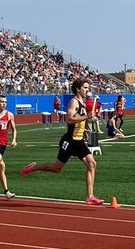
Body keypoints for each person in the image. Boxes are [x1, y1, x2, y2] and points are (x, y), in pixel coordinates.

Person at [20, 76, 104, 205]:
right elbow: (69, 119)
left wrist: (83, 130)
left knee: (92, 164)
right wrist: (87, 116)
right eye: (85, 88)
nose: (87, 90)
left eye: (88, 88)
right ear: (78, 89)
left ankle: (90, 196)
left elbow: (78, 120)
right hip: (69, 141)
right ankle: (33, 168)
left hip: (79, 140)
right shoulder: (74, 102)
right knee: (56, 168)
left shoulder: (81, 103)